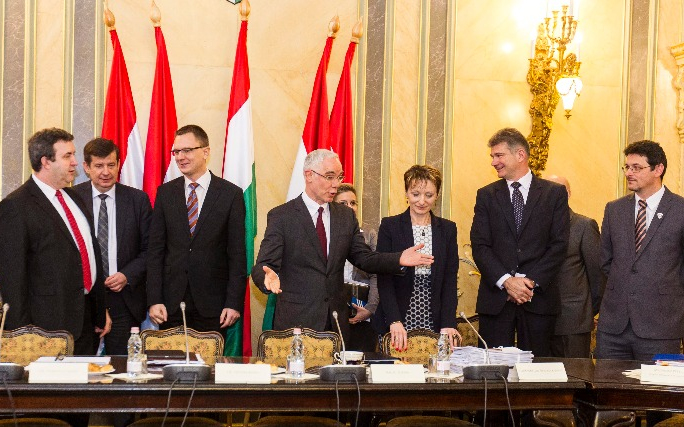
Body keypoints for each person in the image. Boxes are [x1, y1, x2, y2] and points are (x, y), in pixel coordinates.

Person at [252, 149, 434, 343]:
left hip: (336, 324)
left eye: (339, 177)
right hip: (297, 323)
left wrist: (398, 259)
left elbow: (364, 258)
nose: (336, 184)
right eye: (329, 177)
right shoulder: (282, 216)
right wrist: (266, 278)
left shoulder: (345, 216)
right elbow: (263, 265)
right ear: (309, 175)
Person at [0, 128, 110, 355]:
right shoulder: (16, 206)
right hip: (45, 330)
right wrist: (23, 337)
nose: (75, 162)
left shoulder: (73, 197)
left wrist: (100, 311)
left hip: (86, 323)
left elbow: (89, 254)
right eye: (67, 156)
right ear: (46, 162)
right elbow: (12, 279)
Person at [470, 128, 569, 357]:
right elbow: (480, 245)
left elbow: (559, 245)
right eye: (492, 156)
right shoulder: (486, 195)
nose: (493, 162)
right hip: (496, 302)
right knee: (494, 371)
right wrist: (506, 281)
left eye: (499, 155)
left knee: (537, 371)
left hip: (538, 302)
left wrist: (528, 282)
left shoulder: (554, 194)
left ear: (520, 154)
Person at [146, 125, 247, 335]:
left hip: (214, 306)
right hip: (170, 305)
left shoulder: (230, 195)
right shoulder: (165, 193)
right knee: (171, 357)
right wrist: (154, 299)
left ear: (206, 152)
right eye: (176, 152)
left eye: (187, 150)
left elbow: (237, 255)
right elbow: (155, 251)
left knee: (209, 357)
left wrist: (233, 303)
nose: (180, 157)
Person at [597, 140, 684, 360]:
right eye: (627, 167)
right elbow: (606, 261)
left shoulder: (680, 209)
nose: (629, 173)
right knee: (607, 382)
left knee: (656, 384)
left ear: (658, 169)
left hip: (661, 325)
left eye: (636, 168)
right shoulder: (614, 209)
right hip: (614, 327)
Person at [74, 138, 152, 355]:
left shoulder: (138, 200)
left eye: (111, 165)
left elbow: (150, 250)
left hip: (124, 300)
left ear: (118, 164)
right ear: (86, 167)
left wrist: (127, 275)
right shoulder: (72, 199)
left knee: (122, 366)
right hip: (84, 300)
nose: (106, 172)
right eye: (99, 166)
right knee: (82, 364)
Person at [375, 165, 460, 351]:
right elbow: (384, 279)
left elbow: (449, 280)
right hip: (398, 316)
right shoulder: (390, 226)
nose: (422, 201)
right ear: (406, 193)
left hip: (434, 316)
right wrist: (394, 320)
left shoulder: (447, 229)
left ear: (437, 196)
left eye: (428, 195)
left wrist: (448, 322)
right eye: (415, 194)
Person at [546, 175, 604, 358]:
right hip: (539, 322)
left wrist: (586, 311)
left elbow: (598, 276)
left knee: (575, 373)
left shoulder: (584, 226)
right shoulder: (533, 227)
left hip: (573, 321)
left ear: (568, 194)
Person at [333, 183, 379, 352]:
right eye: (343, 203)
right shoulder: (325, 234)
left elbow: (376, 274)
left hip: (362, 312)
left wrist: (370, 309)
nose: (350, 207)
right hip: (333, 314)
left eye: (353, 203)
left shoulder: (369, 235)